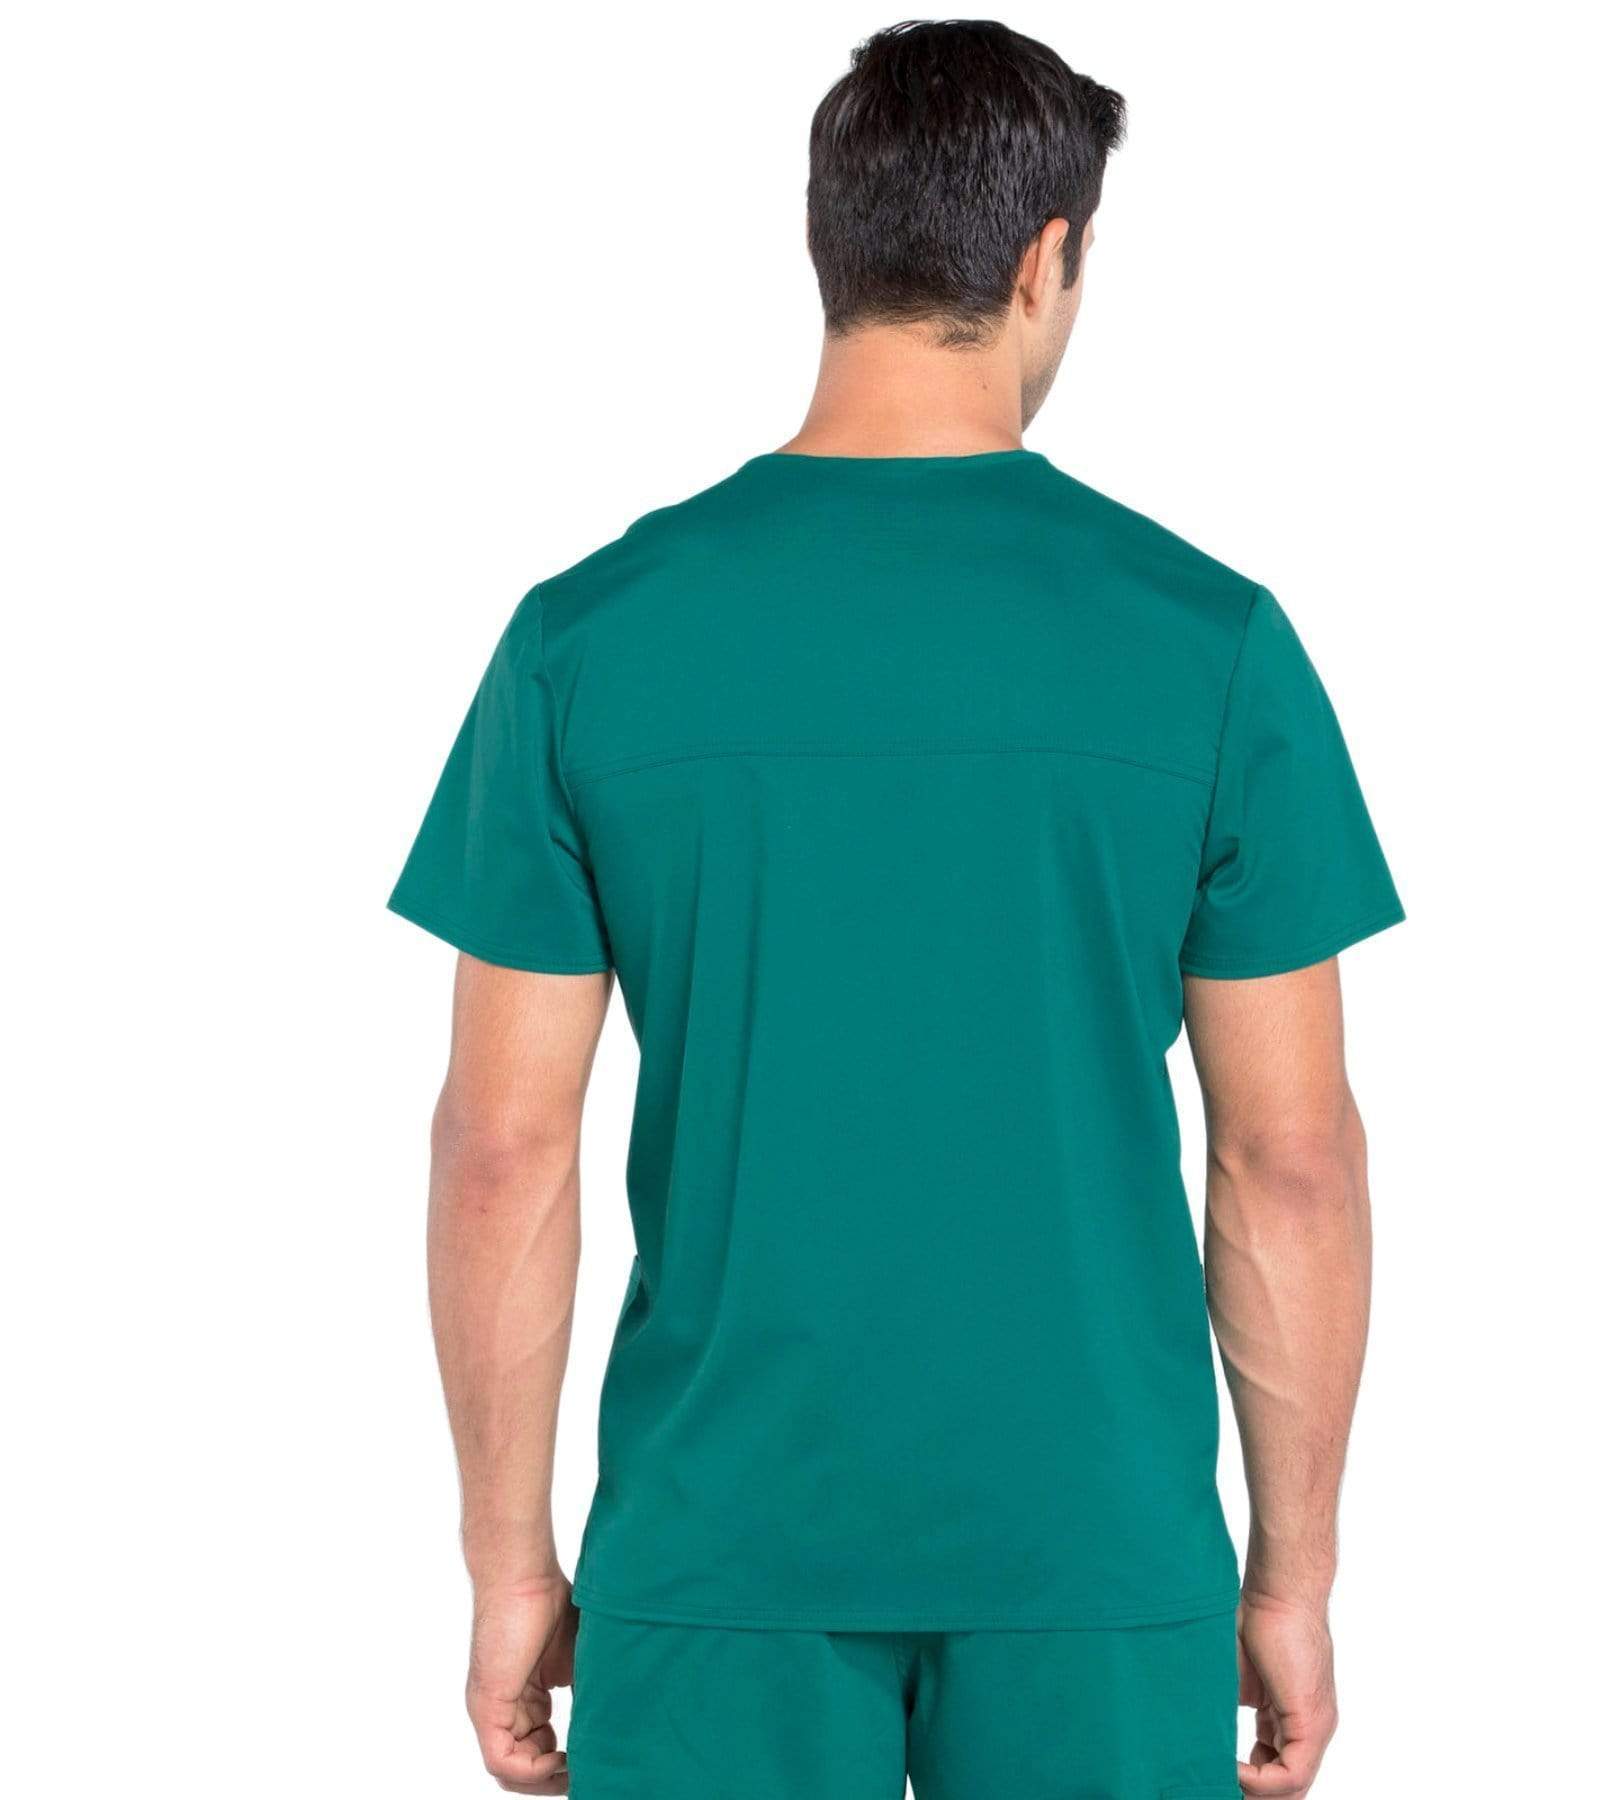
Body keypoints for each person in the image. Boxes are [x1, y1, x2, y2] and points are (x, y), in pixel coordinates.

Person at [391, 20, 1401, 1798]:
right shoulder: (1212, 646)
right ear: (1047, 259)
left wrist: (506, 1568)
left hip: (716, 1557)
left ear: (826, 245)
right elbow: (1289, 1159)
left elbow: (502, 1152)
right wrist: (1293, 1579)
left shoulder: (587, 639)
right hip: (1097, 1562)